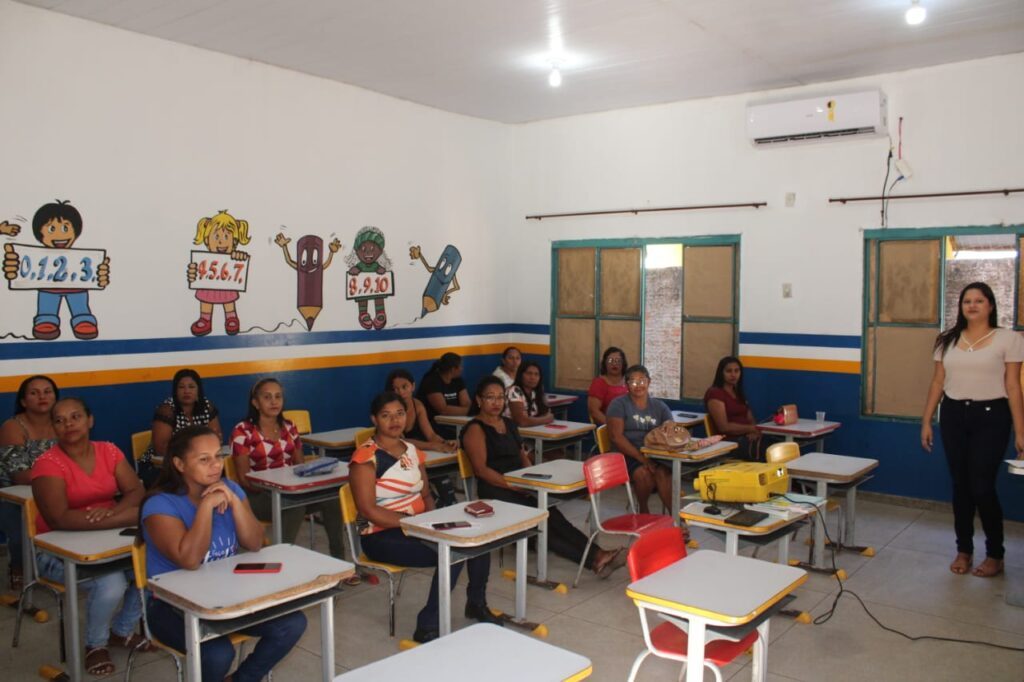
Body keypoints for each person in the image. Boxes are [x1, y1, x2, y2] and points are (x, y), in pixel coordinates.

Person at [142, 425, 306, 681]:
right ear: (179, 464)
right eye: (204, 459)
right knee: (218, 653)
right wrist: (206, 506)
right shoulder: (159, 505)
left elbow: (255, 542)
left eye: (218, 455)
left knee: (292, 623)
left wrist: (234, 501)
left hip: (224, 596)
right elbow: (189, 560)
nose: (216, 465)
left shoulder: (228, 488)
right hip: (172, 606)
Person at [351, 391, 499, 643]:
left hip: (417, 527)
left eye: (400, 414)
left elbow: (426, 493)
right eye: (386, 415)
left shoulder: (411, 449)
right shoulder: (365, 457)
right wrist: (415, 524)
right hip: (380, 535)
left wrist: (432, 523)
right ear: (374, 419)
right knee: (451, 552)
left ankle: (476, 603)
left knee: (477, 540)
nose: (395, 420)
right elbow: (368, 510)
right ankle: (427, 625)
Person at [31, 397, 150, 676]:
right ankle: (95, 645)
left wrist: (113, 512)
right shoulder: (47, 464)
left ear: (90, 420)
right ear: (53, 428)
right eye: (59, 420)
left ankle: (121, 630)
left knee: (152, 567)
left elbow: (136, 491)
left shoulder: (109, 451)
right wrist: (124, 517)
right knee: (111, 583)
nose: (68, 424)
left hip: (108, 539)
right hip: (55, 552)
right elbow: (59, 518)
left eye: (75, 417)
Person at [462, 377, 624, 577]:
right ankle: (595, 558)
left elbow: (522, 456)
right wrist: (512, 485)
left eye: (501, 397)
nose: (496, 402)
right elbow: (481, 470)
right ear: (479, 400)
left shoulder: (508, 424)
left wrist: (530, 481)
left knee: (551, 514)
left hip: (518, 482)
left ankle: (596, 556)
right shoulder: (475, 429)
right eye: (490, 397)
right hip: (495, 488)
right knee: (542, 522)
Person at [921, 282, 1024, 578]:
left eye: (979, 300)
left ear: (990, 305)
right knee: (961, 486)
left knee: (982, 486)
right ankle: (963, 550)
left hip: (992, 416)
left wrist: (1021, 431)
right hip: (954, 414)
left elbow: (1013, 386)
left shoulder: (1008, 339)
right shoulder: (947, 340)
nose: (972, 305)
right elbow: (938, 382)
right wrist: (926, 420)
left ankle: (995, 554)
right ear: (961, 306)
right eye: (967, 301)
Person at [230, 378, 345, 560]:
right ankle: (281, 561)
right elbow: (244, 479)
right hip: (256, 495)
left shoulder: (289, 427)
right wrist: (274, 488)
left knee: (332, 498)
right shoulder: (243, 430)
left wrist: (295, 488)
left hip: (290, 491)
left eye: (278, 396)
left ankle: (340, 560)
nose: (274, 402)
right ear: (255, 403)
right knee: (294, 506)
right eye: (267, 397)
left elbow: (301, 466)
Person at [0, 375, 59, 591]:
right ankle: (18, 566)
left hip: (55, 489)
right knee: (20, 531)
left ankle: (62, 564)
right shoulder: (12, 427)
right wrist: (64, 476)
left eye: (47, 392)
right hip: (15, 496)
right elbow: (21, 476)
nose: (42, 396)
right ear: (24, 401)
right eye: (34, 393)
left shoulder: (63, 422)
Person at [607, 365, 674, 515]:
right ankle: (643, 511)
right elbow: (616, 437)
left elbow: (670, 427)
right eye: (633, 381)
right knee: (643, 473)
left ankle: (675, 517)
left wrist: (668, 427)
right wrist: (642, 458)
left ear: (649, 382)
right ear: (626, 385)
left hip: (654, 453)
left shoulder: (659, 406)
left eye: (642, 380)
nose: (638, 385)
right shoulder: (618, 404)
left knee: (663, 472)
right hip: (627, 454)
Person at [137, 369, 223, 488]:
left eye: (191, 387)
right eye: (181, 387)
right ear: (175, 391)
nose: (186, 391)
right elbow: (161, 448)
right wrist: (190, 459)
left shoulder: (206, 407)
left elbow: (216, 437)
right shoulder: (167, 410)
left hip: (197, 462)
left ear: (198, 390)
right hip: (161, 465)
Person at [384, 369, 457, 452]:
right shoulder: (388, 410)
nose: (401, 392)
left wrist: (445, 443)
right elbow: (400, 441)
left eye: (404, 387)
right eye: (395, 389)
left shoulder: (418, 405)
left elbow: (431, 435)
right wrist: (434, 446)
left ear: (413, 386)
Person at [704, 356, 761, 459]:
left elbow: (751, 419)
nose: (733, 375)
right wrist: (752, 429)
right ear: (721, 373)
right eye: (729, 371)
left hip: (746, 437)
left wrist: (754, 432)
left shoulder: (738, 392)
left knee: (778, 443)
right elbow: (724, 427)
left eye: (736, 371)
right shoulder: (715, 393)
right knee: (769, 450)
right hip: (729, 443)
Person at [416, 353, 470, 437]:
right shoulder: (431, 381)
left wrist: (470, 409)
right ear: (453, 369)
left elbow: (466, 403)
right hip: (433, 426)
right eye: (460, 366)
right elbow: (443, 410)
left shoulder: (458, 380)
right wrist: (470, 411)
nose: (462, 369)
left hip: (454, 423)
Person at [506, 361, 554, 427]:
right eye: (529, 373)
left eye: (536, 374)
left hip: (532, 430)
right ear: (520, 375)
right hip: (513, 431)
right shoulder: (514, 391)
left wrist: (545, 418)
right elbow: (522, 422)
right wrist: (547, 419)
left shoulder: (535, 392)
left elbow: (546, 413)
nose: (533, 377)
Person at [588, 347, 628, 426]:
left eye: (618, 361)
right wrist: (613, 425)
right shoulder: (599, 383)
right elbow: (594, 411)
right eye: (610, 360)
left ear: (623, 364)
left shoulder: (629, 382)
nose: (614, 364)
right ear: (605, 363)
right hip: (608, 426)